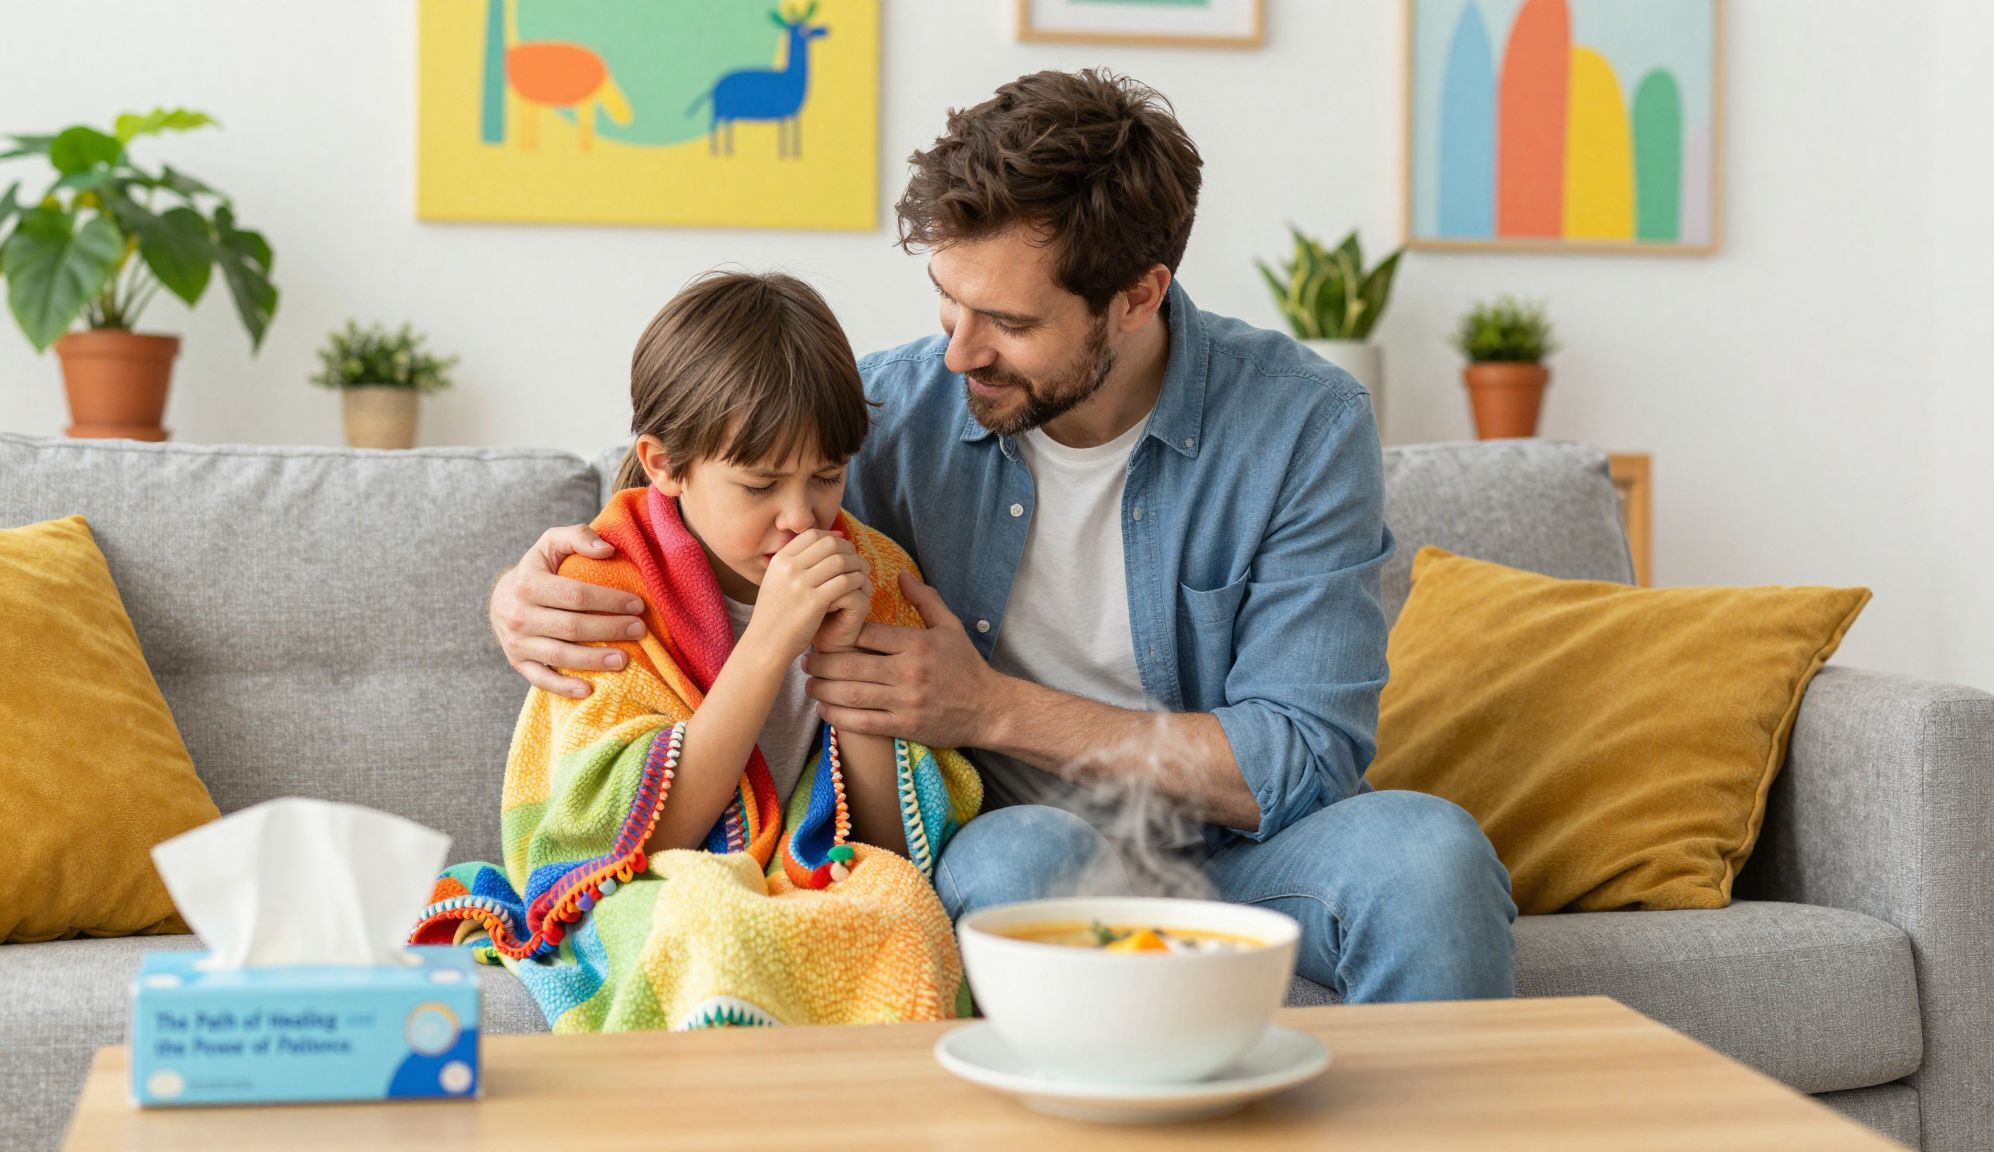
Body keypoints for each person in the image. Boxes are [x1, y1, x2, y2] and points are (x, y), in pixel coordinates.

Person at [489, 70, 1515, 1003]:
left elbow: (1301, 758)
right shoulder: (895, 409)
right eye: (946, 302)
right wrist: (527, 588)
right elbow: (695, 478)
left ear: (1135, 298)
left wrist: (992, 707)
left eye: (1009, 325)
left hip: (1256, 852)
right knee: (1014, 862)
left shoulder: (1299, 424)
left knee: (1427, 853)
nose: (958, 352)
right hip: (1019, 844)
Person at [413, 271, 982, 1032]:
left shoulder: (874, 573)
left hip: (805, 875)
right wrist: (772, 640)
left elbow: (893, 850)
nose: (801, 517)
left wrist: (853, 676)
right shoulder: (606, 590)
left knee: (904, 915)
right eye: (758, 485)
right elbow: (633, 841)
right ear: (663, 464)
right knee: (707, 912)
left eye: (826, 477)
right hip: (640, 884)